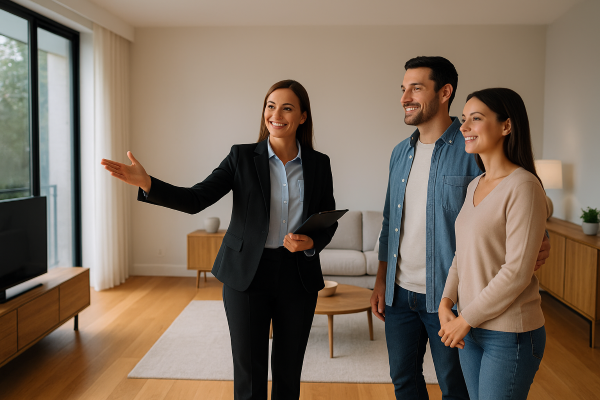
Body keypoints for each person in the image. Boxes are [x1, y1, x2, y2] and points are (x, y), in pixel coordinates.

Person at [100, 80, 337, 400]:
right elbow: (197, 198)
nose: (276, 114)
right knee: (249, 372)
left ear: (303, 117)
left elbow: (327, 219)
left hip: (298, 276)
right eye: (270, 106)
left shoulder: (318, 163)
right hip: (246, 275)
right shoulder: (241, 158)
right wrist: (148, 183)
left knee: (289, 369)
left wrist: (311, 243)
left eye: (287, 108)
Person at [369, 56, 551, 400]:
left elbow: (521, 205)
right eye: (403, 88)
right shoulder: (400, 153)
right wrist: (381, 280)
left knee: (456, 388)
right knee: (403, 380)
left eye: (416, 87)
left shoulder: (473, 150)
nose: (405, 96)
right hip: (399, 293)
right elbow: (390, 223)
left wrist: (543, 241)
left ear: (444, 92)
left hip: (449, 299)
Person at [438, 88, 548, 400]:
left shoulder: (524, 185)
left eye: (476, 119)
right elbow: (463, 254)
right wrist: (447, 303)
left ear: (506, 126)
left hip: (509, 333)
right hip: (471, 327)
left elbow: (516, 272)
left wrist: (464, 319)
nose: (464, 127)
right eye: (463, 119)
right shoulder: (476, 183)